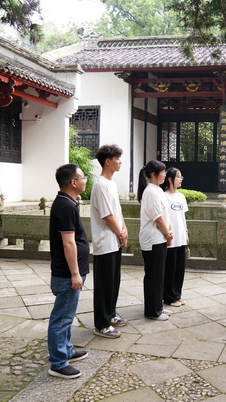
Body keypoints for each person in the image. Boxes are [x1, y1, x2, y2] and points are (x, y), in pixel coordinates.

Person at [47, 164, 90, 379]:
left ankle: (67, 350)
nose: (85, 180)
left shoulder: (67, 202)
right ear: (73, 183)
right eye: (82, 177)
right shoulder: (65, 206)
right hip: (66, 274)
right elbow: (68, 243)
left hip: (69, 272)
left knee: (67, 315)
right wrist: (75, 273)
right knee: (62, 318)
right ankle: (58, 363)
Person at [91, 145, 128, 339]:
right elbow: (107, 215)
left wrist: (124, 229)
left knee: (114, 281)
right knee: (104, 284)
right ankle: (101, 324)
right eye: (117, 158)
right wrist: (120, 233)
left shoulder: (111, 184)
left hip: (115, 240)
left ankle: (111, 314)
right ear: (107, 161)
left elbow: (117, 211)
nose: (120, 162)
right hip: (105, 241)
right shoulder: (100, 185)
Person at [138, 160, 174, 320]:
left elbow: (166, 215)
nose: (165, 175)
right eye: (163, 172)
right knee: (153, 276)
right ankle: (152, 311)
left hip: (160, 237)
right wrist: (168, 234)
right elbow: (158, 218)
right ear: (153, 174)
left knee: (159, 275)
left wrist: (169, 232)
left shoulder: (158, 190)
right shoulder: (150, 192)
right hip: (153, 239)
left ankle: (158, 306)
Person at [162, 168, 189, 307]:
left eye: (181, 176)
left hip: (181, 237)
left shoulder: (181, 197)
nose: (180, 179)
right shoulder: (164, 196)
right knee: (170, 269)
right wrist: (167, 234)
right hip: (170, 238)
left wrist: (186, 233)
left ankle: (177, 295)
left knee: (180, 268)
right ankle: (169, 297)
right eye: (178, 177)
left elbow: (183, 217)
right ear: (170, 179)